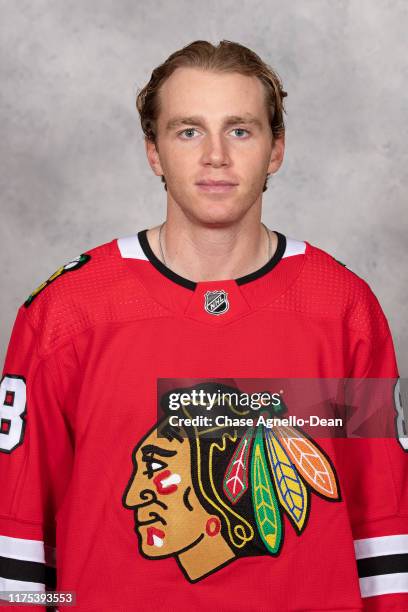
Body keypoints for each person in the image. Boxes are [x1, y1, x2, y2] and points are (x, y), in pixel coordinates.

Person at [0, 39, 406, 611]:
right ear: (153, 151)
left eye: (239, 130)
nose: (216, 155)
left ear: (275, 150)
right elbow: (17, 535)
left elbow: (384, 527)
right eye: (188, 131)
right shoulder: (67, 310)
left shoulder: (344, 309)